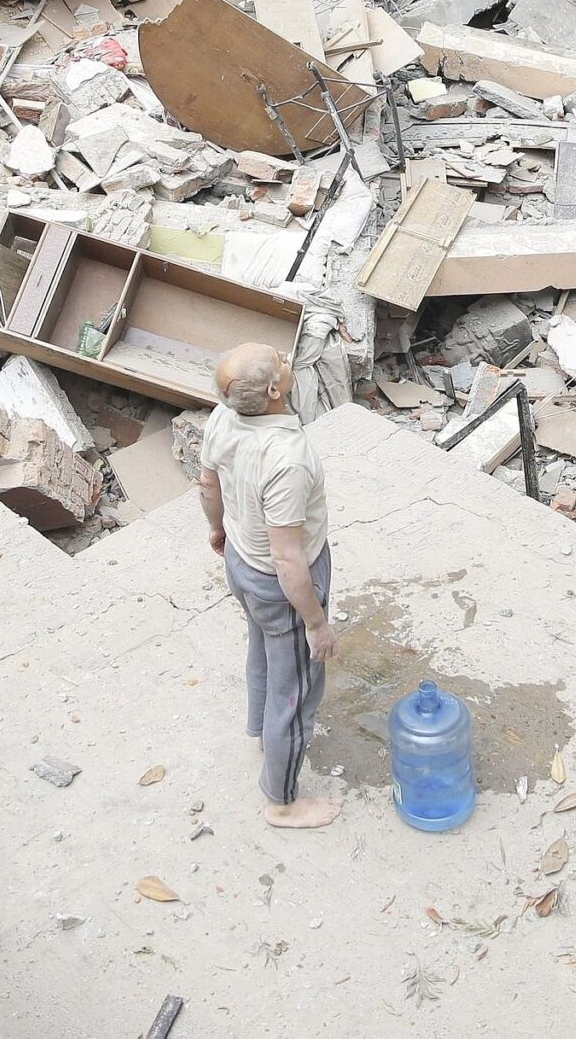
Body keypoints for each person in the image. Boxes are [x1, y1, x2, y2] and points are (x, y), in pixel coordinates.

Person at [197, 342, 339, 830]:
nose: (284, 354)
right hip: (281, 582)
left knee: (262, 646)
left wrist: (218, 529)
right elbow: (287, 555)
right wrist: (316, 623)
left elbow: (208, 485)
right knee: (296, 689)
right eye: (277, 359)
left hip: (240, 561)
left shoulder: (222, 417)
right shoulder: (287, 457)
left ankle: (260, 731)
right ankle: (282, 801)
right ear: (276, 390)